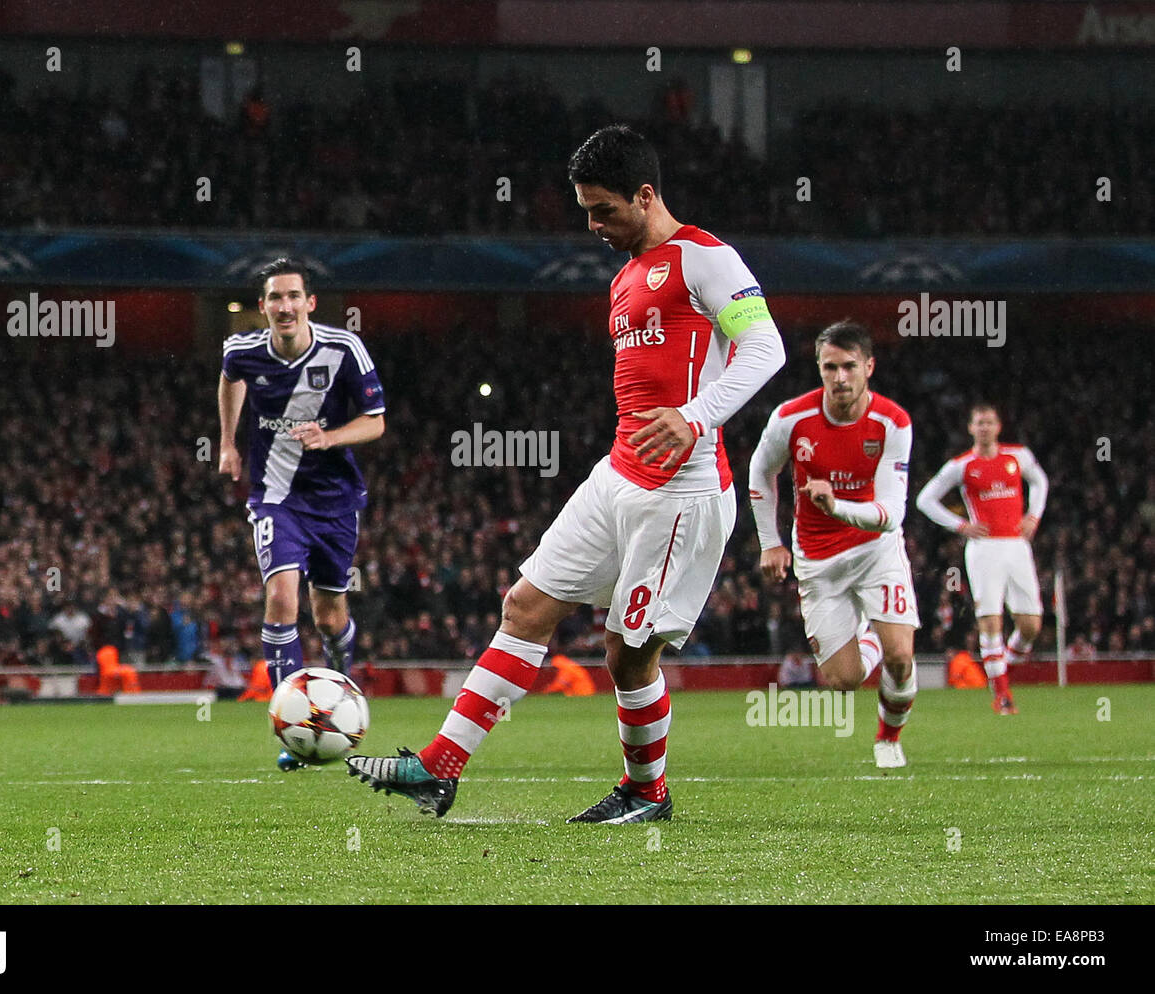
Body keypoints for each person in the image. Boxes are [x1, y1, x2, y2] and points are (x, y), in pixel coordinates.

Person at [347, 124, 785, 822]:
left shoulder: (706, 258)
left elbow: (766, 347)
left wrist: (698, 415)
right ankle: (437, 769)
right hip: (617, 474)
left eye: (605, 208)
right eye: (585, 209)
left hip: (682, 492)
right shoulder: (623, 279)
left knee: (628, 653)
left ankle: (648, 793)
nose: (594, 224)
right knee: (524, 605)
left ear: (646, 195)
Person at [218, 257, 386, 772]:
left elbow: (376, 422)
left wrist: (329, 437)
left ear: (309, 303)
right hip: (275, 495)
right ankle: (291, 726)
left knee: (330, 614)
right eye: (275, 297)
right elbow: (230, 380)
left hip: (335, 501)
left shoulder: (343, 349)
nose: (284, 306)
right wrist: (228, 442)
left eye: (293, 296)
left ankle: (339, 681)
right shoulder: (242, 349)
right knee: (281, 592)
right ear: (263, 306)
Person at [748, 321, 919, 769]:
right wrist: (771, 542)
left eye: (848, 367)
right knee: (844, 681)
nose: (839, 377)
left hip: (874, 551)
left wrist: (836, 504)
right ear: (819, 369)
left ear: (868, 367)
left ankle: (888, 738)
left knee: (901, 658)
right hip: (817, 561)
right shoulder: (790, 418)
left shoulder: (892, 422)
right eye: (829, 367)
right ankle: (871, 635)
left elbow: (891, 513)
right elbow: (760, 472)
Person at [916, 404, 1047, 715]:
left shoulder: (1018, 457)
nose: (985, 427)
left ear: (999, 426)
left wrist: (1033, 516)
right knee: (991, 621)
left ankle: (1001, 675)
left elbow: (1040, 482)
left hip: (1016, 546)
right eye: (979, 423)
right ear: (971, 429)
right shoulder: (961, 466)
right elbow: (925, 499)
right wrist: (961, 525)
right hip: (984, 548)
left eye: (989, 422)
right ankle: (1002, 695)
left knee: (1031, 625)